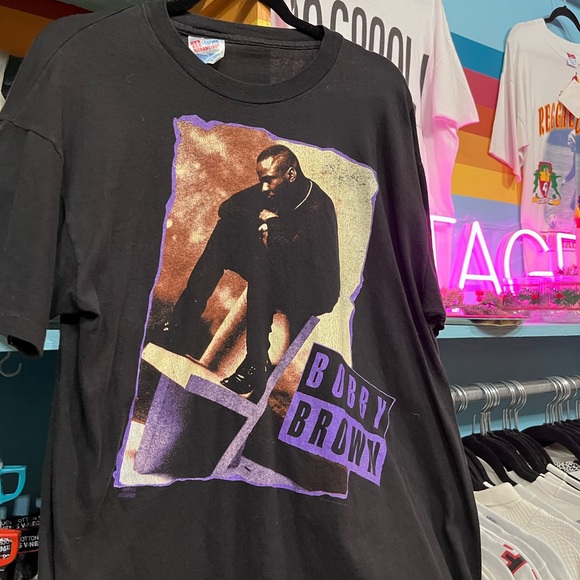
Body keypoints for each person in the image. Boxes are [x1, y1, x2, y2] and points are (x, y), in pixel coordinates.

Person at [165, 145, 340, 400]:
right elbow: (228, 208)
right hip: (284, 264)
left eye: (269, 180)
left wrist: (273, 224)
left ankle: (257, 362)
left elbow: (299, 261)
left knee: (265, 264)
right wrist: (264, 221)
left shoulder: (318, 208)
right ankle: (181, 326)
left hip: (313, 290)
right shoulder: (274, 190)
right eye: (261, 180)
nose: (263, 188)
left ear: (291, 174)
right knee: (225, 232)